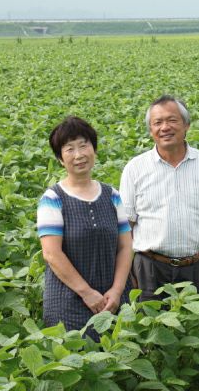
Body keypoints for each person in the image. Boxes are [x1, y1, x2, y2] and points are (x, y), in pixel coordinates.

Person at [120, 95, 199, 301]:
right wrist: (123, 270)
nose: (165, 127)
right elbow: (127, 225)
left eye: (172, 120)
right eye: (157, 122)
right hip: (149, 268)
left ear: (186, 124)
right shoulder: (135, 168)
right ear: (151, 130)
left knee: (196, 318)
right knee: (150, 319)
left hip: (195, 267)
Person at [37, 116, 133, 339]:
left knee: (118, 353)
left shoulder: (112, 195)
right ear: (60, 159)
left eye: (83, 145)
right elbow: (51, 253)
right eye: (69, 149)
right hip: (68, 304)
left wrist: (117, 291)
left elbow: (126, 247)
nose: (78, 155)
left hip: (113, 301)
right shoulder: (52, 199)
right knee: (73, 354)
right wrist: (87, 293)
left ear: (94, 149)